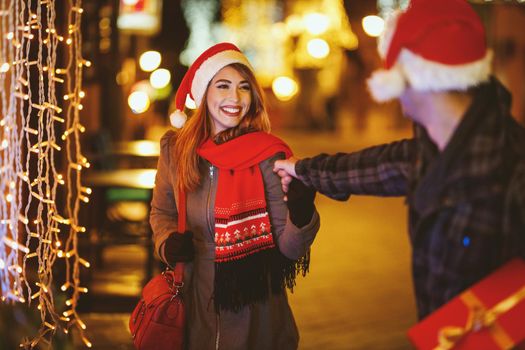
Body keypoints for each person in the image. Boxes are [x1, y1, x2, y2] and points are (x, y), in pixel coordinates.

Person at [274, 0, 525, 320]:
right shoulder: (433, 150)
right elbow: (366, 168)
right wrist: (301, 170)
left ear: (417, 76)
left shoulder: (512, 169)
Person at [150, 42, 320, 349]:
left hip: (256, 305)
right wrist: (167, 243)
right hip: (193, 297)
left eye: (244, 88)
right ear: (204, 94)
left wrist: (302, 213)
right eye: (223, 86)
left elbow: (289, 248)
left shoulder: (270, 154)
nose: (235, 97)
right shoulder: (175, 151)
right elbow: (162, 213)